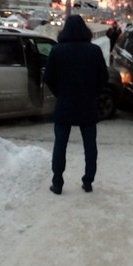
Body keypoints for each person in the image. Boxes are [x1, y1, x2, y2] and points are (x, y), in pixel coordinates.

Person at [43, 15, 109, 194]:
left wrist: (60, 93)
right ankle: (88, 181)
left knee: (60, 144)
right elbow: (104, 78)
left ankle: (57, 183)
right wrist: (92, 93)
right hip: (87, 104)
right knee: (90, 145)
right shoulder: (94, 51)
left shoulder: (57, 50)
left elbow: (48, 77)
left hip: (64, 103)